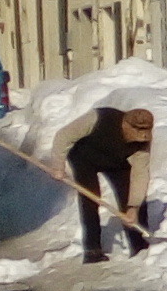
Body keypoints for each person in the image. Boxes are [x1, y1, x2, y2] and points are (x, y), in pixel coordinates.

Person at [66, 104, 157, 261]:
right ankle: (92, 250)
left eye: (146, 131)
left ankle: (140, 245)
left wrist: (133, 207)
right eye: (138, 130)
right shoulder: (99, 118)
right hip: (84, 159)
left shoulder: (142, 142)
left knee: (131, 198)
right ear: (125, 125)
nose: (143, 135)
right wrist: (57, 165)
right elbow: (63, 136)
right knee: (90, 200)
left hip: (116, 162)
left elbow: (140, 173)